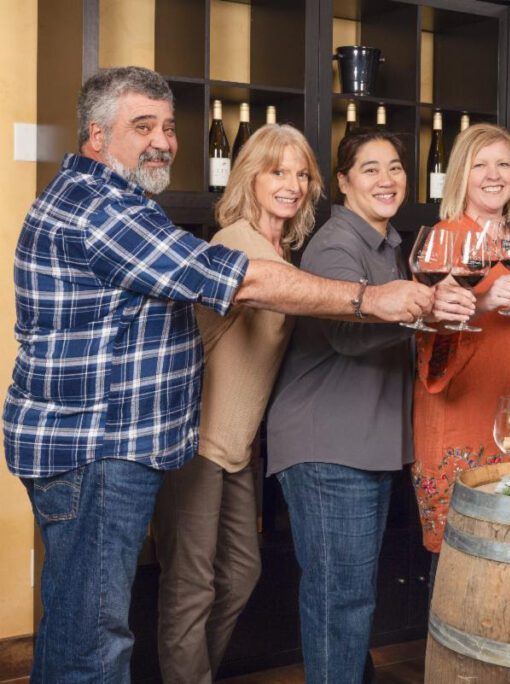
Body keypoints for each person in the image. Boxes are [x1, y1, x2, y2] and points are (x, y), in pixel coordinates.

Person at [2, 66, 432, 683]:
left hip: (139, 445)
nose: (162, 141)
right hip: (98, 449)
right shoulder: (103, 210)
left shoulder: (125, 205)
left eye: (169, 127)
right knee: (96, 639)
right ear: (96, 136)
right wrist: (377, 299)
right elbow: (242, 282)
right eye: (142, 126)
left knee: (89, 627)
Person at [265, 128, 456, 683]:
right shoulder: (336, 245)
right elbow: (348, 336)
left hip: (361, 447)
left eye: (395, 167)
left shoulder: (391, 245)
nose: (386, 179)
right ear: (343, 183)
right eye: (369, 169)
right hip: (329, 448)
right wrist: (430, 316)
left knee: (348, 599)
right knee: (339, 602)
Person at [150, 123, 322, 683]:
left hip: (239, 448)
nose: (292, 184)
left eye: (301, 174)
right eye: (279, 172)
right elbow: (189, 347)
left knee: (242, 575)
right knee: (191, 585)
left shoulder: (284, 251)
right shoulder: (235, 245)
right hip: (197, 444)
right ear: (251, 176)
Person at [411, 123, 510, 587]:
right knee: (461, 562)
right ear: (461, 174)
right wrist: (483, 300)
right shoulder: (445, 238)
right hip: (459, 411)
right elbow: (430, 338)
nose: (493, 174)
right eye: (480, 164)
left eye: (504, 163)